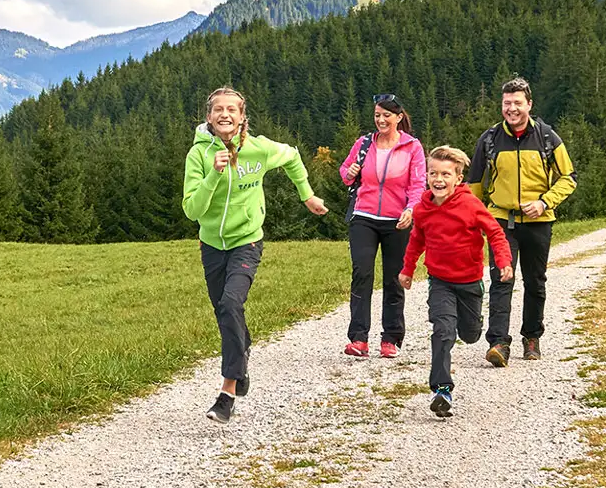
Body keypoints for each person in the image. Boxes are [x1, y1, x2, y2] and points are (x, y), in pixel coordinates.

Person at [183, 86, 330, 423]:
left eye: (231, 109)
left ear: (242, 116)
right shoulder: (199, 156)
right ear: (208, 117)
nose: (224, 114)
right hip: (211, 245)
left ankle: (226, 393)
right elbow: (193, 210)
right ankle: (241, 355)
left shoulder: (258, 149)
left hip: (247, 241)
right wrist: (214, 174)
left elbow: (292, 155)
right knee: (225, 314)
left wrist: (306, 195)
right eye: (218, 109)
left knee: (231, 304)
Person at [466, 76, 577, 365]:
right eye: (506, 103)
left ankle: (532, 338)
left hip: (539, 221)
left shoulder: (548, 137)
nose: (511, 109)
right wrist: (475, 219)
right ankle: (499, 343)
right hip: (500, 220)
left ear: (529, 104)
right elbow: (474, 183)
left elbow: (569, 178)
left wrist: (544, 202)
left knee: (535, 282)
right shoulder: (489, 139)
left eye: (517, 103)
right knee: (501, 280)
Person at [397, 145, 513, 418]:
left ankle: (474, 325)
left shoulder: (471, 204)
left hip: (470, 281)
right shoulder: (423, 209)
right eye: (433, 173)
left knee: (470, 334)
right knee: (442, 331)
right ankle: (442, 389)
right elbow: (416, 241)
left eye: (446, 174)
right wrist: (407, 269)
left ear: (458, 178)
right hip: (440, 282)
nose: (439, 179)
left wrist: (504, 261)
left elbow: (495, 233)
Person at [338, 94, 425, 359]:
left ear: (399, 117)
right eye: (377, 115)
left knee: (394, 278)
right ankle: (358, 338)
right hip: (363, 216)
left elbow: (418, 184)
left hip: (397, 220)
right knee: (362, 273)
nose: (381, 120)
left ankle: (391, 339)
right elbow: (345, 172)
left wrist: (411, 209)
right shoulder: (364, 143)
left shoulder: (412, 147)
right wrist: (349, 172)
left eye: (386, 115)